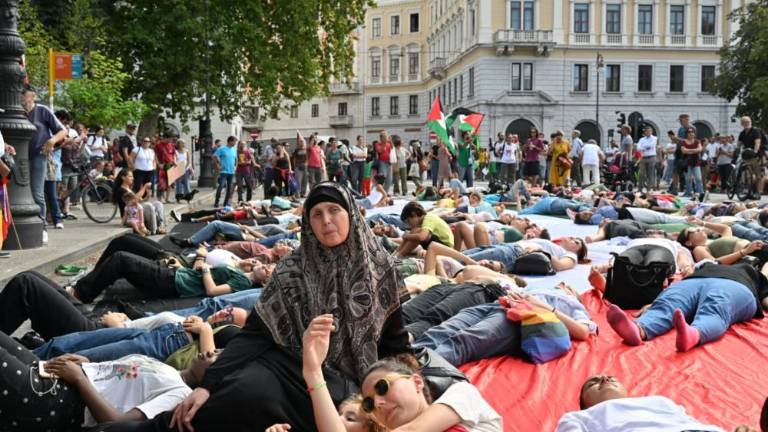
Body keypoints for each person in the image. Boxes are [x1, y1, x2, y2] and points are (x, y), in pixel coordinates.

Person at [110, 182, 409, 432]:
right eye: (317, 214)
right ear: (308, 223)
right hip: (285, 366)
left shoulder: (381, 270)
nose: (326, 220)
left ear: (352, 215)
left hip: (344, 388)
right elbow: (255, 333)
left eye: (334, 211)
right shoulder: (292, 270)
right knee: (233, 399)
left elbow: (395, 343)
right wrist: (207, 385)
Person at [297, 316, 502, 432]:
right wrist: (313, 372)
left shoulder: (462, 395)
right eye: (368, 404)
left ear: (416, 382)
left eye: (383, 387)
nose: (377, 403)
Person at [0, 330, 194, 431]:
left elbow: (117, 423)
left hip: (59, 400)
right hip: (53, 376)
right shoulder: (170, 369)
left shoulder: (181, 393)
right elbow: (113, 378)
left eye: (218, 358)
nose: (213, 352)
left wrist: (79, 378)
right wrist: (87, 363)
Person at [413, 283, 595, 366]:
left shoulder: (574, 305)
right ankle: (398, 364)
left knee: (464, 341)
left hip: (520, 318)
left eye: (569, 287)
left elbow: (582, 332)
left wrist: (544, 306)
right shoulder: (537, 287)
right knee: (441, 331)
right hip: (498, 304)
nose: (563, 283)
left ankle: (410, 377)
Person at [607, 262, 768, 352]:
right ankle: (638, 330)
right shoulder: (711, 263)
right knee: (668, 304)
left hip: (735, 286)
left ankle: (693, 334)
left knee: (716, 308)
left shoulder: (760, 276)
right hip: (693, 281)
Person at [71, 244, 264, 304]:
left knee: (121, 259)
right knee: (122, 250)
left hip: (173, 284)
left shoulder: (243, 283)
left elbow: (212, 291)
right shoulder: (241, 272)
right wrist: (181, 267)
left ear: (265, 283)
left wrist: (203, 263)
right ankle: (84, 286)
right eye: (262, 263)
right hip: (178, 274)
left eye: (269, 270)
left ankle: (81, 294)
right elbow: (198, 275)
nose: (262, 265)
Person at [557, 375, 734, 431]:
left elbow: (691, 423)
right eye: (593, 383)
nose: (604, 378)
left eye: (610, 377)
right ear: (584, 403)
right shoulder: (579, 417)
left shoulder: (659, 401)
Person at [21, 85, 67, 244]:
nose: (21, 98)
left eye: (23, 94)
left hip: (38, 156)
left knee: (37, 193)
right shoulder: (14, 111)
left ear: (32, 96)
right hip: (18, 157)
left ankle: (42, 227)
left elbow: (63, 131)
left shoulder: (43, 111)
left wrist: (52, 140)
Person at [113, 169, 167, 235]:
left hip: (138, 210)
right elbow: (133, 200)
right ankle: (153, 230)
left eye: (132, 176)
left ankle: (161, 227)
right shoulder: (120, 190)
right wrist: (144, 187)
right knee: (148, 205)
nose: (132, 178)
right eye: (130, 176)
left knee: (158, 204)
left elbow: (141, 200)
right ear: (123, 178)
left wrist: (148, 195)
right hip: (131, 214)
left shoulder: (131, 189)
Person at [738, 116, 763, 199]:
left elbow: (757, 142)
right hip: (746, 156)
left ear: (751, 122)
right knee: (748, 176)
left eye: (748, 121)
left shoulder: (755, 131)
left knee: (758, 175)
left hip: (755, 155)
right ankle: (750, 192)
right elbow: (739, 144)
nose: (746, 123)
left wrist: (755, 152)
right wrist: (737, 150)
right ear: (742, 124)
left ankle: (758, 193)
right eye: (744, 122)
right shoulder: (742, 133)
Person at [681, 126, 705, 199]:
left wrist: (689, 151)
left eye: (692, 132)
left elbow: (700, 149)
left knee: (698, 178)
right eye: (689, 132)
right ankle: (689, 193)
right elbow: (683, 150)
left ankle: (701, 193)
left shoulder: (697, 141)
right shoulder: (683, 141)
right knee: (688, 179)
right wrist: (695, 150)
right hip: (686, 162)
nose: (691, 133)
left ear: (694, 133)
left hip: (696, 162)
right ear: (687, 134)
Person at [213, 136, 237, 207]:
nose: (235, 143)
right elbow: (214, 156)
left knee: (229, 188)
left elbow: (235, 160)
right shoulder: (222, 149)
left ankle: (226, 203)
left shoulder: (234, 149)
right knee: (221, 186)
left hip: (231, 172)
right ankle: (216, 202)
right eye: (234, 141)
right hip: (224, 172)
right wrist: (217, 166)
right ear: (230, 141)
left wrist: (235, 167)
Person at [154, 135, 177, 203]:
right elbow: (155, 155)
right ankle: (160, 198)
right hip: (162, 165)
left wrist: (174, 162)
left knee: (170, 182)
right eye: (169, 139)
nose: (170, 140)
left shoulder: (171, 145)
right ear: (165, 138)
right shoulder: (158, 145)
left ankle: (167, 198)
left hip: (170, 165)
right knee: (161, 183)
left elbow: (173, 155)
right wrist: (158, 164)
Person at [636, 126, 658, 192]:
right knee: (641, 173)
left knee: (650, 173)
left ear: (651, 132)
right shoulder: (641, 139)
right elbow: (638, 148)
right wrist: (645, 147)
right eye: (647, 131)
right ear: (645, 132)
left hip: (651, 157)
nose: (648, 132)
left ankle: (649, 189)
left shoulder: (654, 138)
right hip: (643, 157)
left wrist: (643, 147)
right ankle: (640, 188)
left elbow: (651, 145)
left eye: (649, 131)